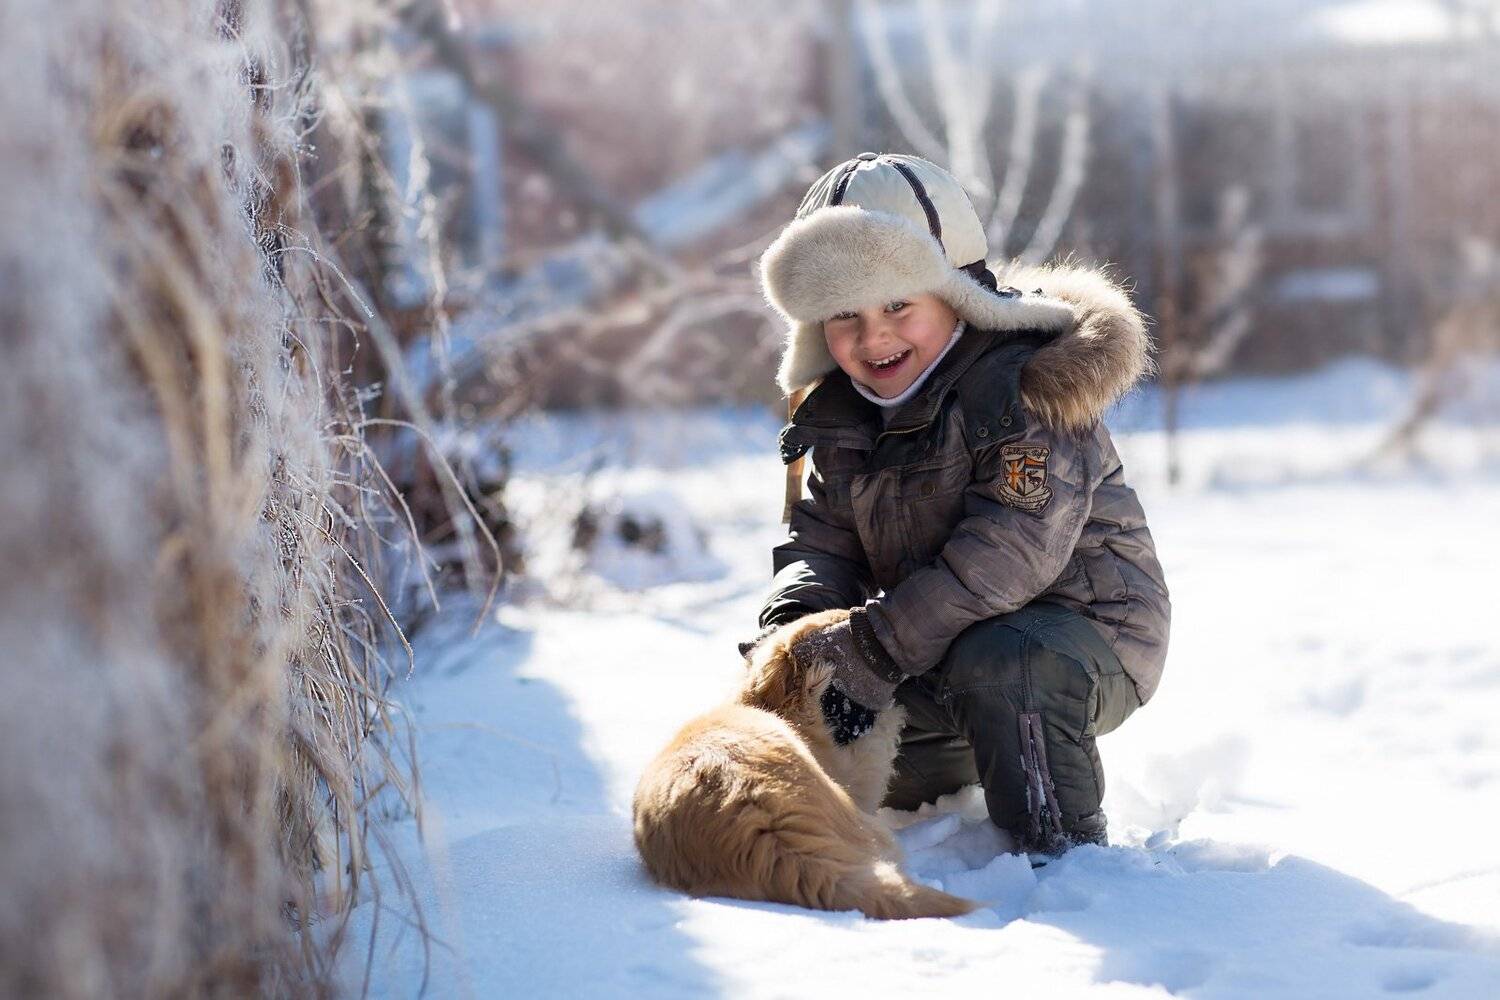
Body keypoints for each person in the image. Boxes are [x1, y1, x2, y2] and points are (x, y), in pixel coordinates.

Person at [745, 152, 1170, 856]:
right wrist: (796, 633)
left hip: (1084, 632)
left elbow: (1010, 554)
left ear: (958, 298)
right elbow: (819, 542)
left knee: (1007, 664)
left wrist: (877, 646)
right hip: (934, 644)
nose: (872, 336)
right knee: (832, 718)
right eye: (844, 314)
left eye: (897, 306)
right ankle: (943, 771)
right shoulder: (845, 420)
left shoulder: (1023, 390)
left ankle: (1062, 854)